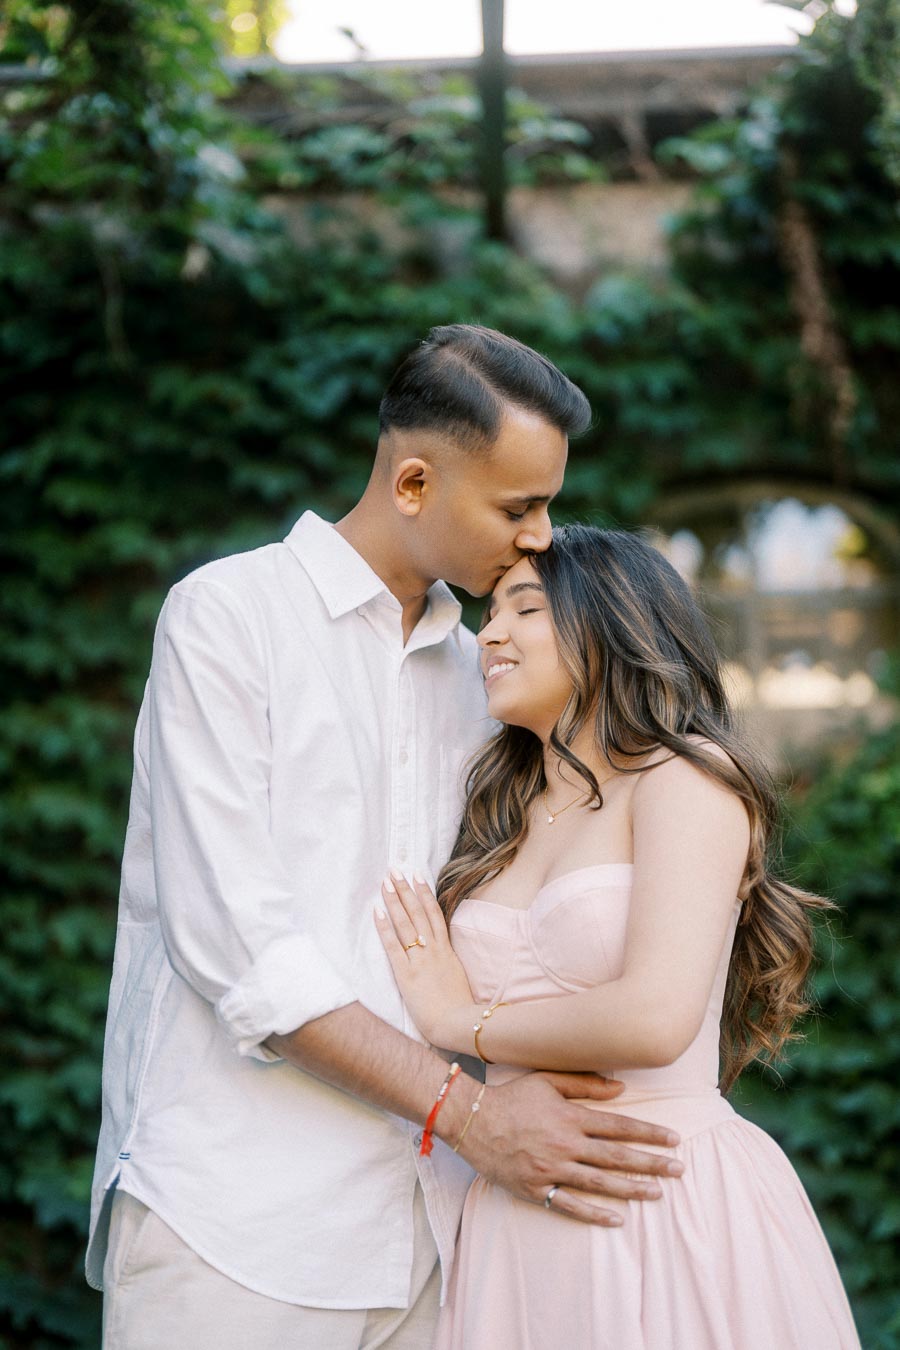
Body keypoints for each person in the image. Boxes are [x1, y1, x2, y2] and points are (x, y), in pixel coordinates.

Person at [87, 327, 684, 1350]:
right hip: (238, 1229)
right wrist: (473, 1115)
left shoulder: (486, 675)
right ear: (414, 481)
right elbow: (247, 959)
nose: (542, 537)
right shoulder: (228, 619)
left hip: (444, 1240)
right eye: (518, 507)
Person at [376, 524, 861, 1350]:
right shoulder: (499, 808)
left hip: (659, 1193)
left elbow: (653, 1016)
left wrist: (461, 1024)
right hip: (513, 1208)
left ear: (609, 623)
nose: (487, 634)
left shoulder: (689, 777)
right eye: (490, 613)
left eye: (522, 609)